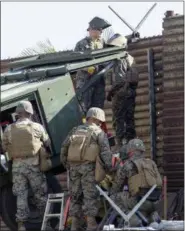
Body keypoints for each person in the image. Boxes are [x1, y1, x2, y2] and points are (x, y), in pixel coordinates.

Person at [60, 107, 112, 231]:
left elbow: (64, 148)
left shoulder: (75, 130)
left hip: (74, 169)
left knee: (75, 196)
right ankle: (91, 225)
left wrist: (67, 165)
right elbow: (105, 152)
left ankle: (74, 225)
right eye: (100, 121)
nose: (100, 123)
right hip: (89, 168)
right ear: (96, 118)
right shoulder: (98, 132)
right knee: (90, 196)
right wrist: (109, 167)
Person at [2, 101, 51, 231]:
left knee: (21, 196)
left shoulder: (8, 129)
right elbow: (47, 142)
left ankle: (21, 225)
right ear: (29, 112)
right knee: (40, 195)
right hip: (33, 165)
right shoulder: (37, 127)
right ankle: (46, 224)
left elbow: (3, 148)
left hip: (17, 167)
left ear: (18, 113)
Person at [110, 138, 162, 226]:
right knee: (136, 199)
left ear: (130, 151)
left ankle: (132, 220)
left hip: (138, 201)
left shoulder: (128, 165)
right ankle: (151, 216)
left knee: (113, 198)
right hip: (155, 202)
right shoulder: (151, 163)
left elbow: (116, 186)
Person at [106, 33, 139, 147]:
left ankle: (121, 147)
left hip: (121, 93)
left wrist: (110, 93)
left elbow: (119, 81)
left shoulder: (120, 58)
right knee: (129, 120)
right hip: (130, 93)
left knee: (118, 121)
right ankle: (132, 145)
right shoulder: (129, 58)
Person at [74, 17, 111, 113]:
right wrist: (86, 68)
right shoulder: (81, 44)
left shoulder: (102, 43)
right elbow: (74, 62)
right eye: (99, 29)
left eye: (101, 30)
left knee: (98, 108)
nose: (101, 32)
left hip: (98, 80)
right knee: (84, 108)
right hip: (85, 81)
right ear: (92, 30)